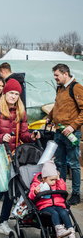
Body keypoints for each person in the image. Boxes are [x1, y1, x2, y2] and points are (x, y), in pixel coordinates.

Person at [0, 78, 40, 235]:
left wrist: (31, 136)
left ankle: (3, 222)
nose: (13, 96)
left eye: (16, 94)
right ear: (5, 93)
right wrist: (0, 137)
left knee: (11, 192)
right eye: (11, 92)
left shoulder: (20, 112)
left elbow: (23, 133)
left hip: (12, 157)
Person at [47, 63, 83, 206]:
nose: (55, 78)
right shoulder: (60, 89)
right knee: (59, 163)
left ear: (65, 74)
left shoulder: (76, 88)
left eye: (57, 75)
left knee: (73, 164)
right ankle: (61, 191)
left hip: (71, 133)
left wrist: (73, 126)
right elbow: (57, 106)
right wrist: (50, 117)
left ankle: (75, 193)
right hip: (58, 131)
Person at [29, 160, 75, 238]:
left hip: (58, 205)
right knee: (54, 213)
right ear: (43, 179)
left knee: (64, 212)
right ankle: (59, 230)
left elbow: (63, 189)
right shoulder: (37, 184)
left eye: (55, 179)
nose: (54, 182)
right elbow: (31, 195)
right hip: (45, 206)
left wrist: (59, 179)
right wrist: (35, 192)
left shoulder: (57, 183)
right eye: (52, 180)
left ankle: (71, 230)